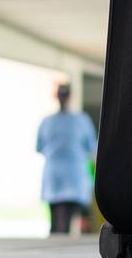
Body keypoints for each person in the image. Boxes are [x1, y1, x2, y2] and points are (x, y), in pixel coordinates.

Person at [35, 82, 97, 236]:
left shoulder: (47, 122)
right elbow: (91, 148)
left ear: (57, 97)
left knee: (56, 222)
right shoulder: (82, 120)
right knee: (66, 222)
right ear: (70, 97)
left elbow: (39, 148)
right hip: (74, 177)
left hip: (54, 177)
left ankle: (55, 239)